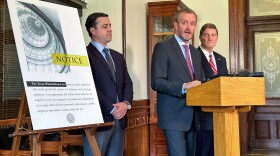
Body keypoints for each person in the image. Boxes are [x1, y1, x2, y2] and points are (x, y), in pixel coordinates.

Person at [151, 8, 203, 156]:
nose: (189, 27)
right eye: (184, 23)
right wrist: (184, 86)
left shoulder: (195, 52)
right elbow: (156, 82)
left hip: (194, 117)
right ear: (175, 25)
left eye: (192, 24)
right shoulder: (163, 47)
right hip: (173, 118)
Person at [83, 12, 133, 156]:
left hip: (120, 119)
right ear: (93, 31)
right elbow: (88, 86)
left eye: (110, 25)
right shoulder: (84, 55)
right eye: (105, 26)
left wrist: (125, 104)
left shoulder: (118, 56)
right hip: (99, 122)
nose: (110, 29)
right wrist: (111, 109)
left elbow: (127, 83)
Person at [196, 23, 228, 156]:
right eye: (206, 35)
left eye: (213, 35)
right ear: (200, 37)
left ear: (217, 38)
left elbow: (225, 84)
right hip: (202, 115)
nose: (210, 38)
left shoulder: (221, 59)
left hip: (221, 116)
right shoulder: (194, 56)